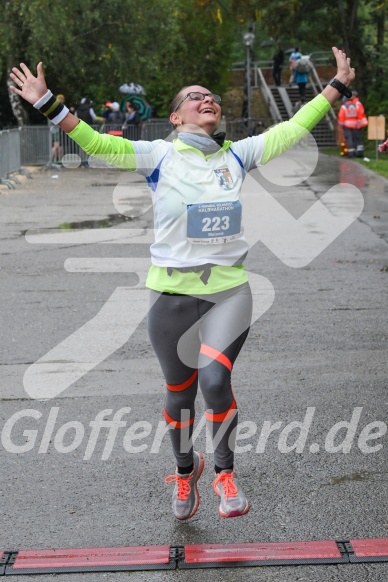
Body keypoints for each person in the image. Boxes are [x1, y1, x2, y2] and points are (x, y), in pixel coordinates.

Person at [10, 47, 355, 521]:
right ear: (175, 116)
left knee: (215, 381)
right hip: (170, 298)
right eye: (195, 97)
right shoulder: (159, 155)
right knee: (179, 392)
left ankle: (225, 474)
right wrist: (48, 101)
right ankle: (184, 468)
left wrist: (335, 85)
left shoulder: (239, 156)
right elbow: (93, 142)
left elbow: (293, 129)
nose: (206, 99)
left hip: (228, 293)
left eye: (211, 96)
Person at [338, 90, 367, 158]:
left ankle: (351, 153)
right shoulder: (355, 105)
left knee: (349, 139)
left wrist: (341, 124)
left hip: (347, 125)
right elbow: (359, 114)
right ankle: (359, 152)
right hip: (355, 124)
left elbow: (341, 116)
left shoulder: (344, 106)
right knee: (357, 138)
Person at [50, 93, 66, 162]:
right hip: (56, 129)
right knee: (56, 145)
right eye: (60, 99)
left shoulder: (54, 106)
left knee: (59, 146)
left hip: (57, 129)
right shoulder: (56, 107)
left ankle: (59, 160)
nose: (61, 100)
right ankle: (51, 160)